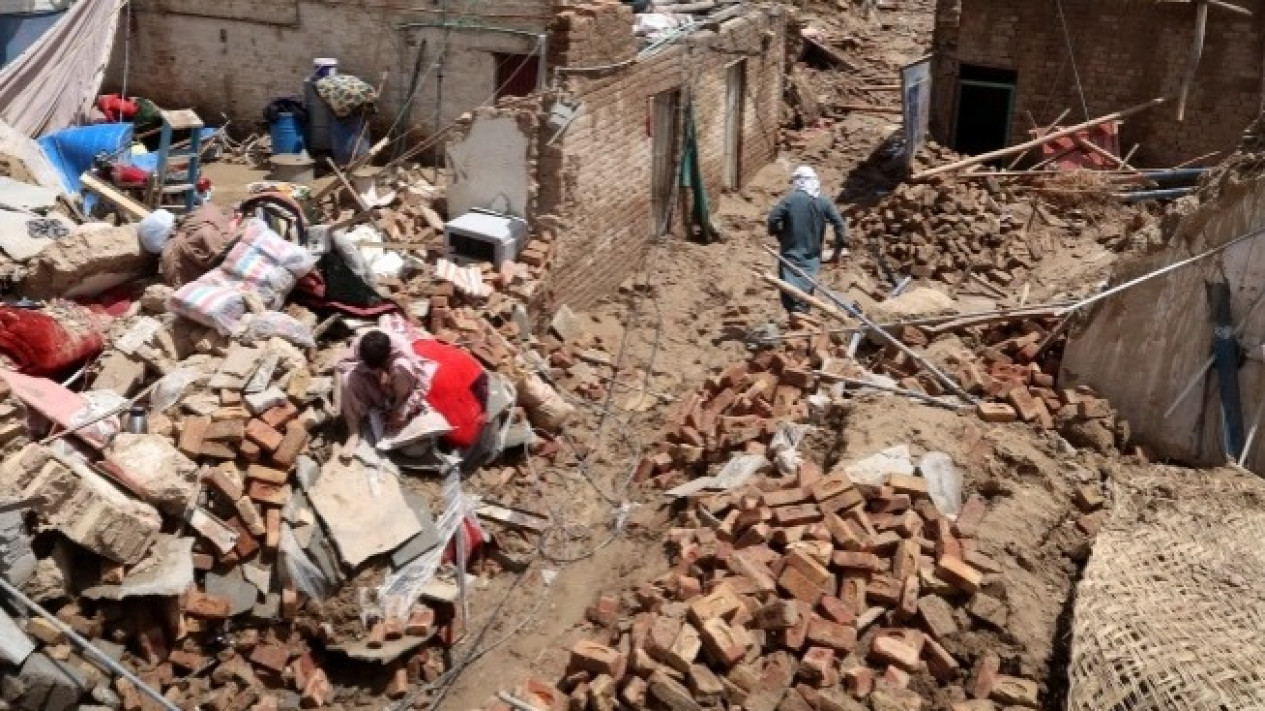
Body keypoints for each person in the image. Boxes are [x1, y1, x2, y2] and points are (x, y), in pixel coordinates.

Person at [335, 329, 432, 459]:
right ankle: (353, 432)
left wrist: (405, 409)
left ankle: (397, 410)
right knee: (347, 379)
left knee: (401, 366)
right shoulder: (360, 345)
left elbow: (424, 382)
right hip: (375, 387)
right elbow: (341, 364)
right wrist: (375, 371)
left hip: (398, 392)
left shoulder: (401, 348)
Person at [766, 165, 847, 317]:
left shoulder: (790, 200)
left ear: (798, 182)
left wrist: (779, 234)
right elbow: (840, 226)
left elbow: (772, 219)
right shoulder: (824, 202)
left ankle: (795, 319)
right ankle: (802, 319)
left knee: (789, 290)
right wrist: (838, 250)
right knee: (806, 290)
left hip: (790, 253)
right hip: (812, 257)